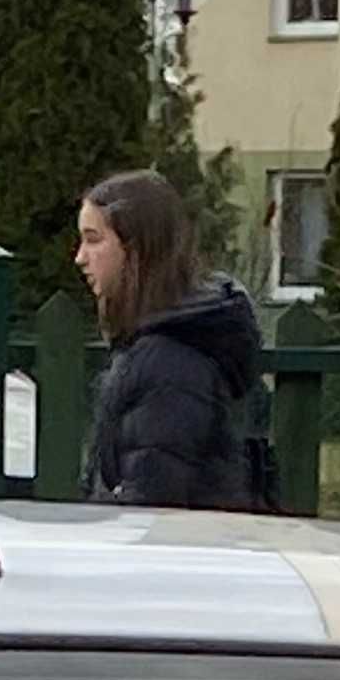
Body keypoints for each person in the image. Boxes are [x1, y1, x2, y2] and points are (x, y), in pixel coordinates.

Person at [75, 173, 266, 510]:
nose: (80, 257)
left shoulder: (170, 364)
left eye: (93, 240)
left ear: (136, 250)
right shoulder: (158, 346)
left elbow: (152, 502)